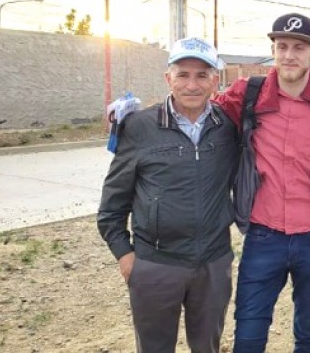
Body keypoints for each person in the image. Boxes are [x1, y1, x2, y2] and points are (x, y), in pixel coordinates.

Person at [212, 13, 310, 352]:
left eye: (298, 48)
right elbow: (200, 112)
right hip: (263, 235)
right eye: (282, 46)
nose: (289, 55)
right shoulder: (248, 93)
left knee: (307, 331)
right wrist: (143, 115)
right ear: (273, 50)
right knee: (249, 333)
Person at [97, 37, 237, 352]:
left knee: (207, 347)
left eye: (202, 75)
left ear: (215, 80)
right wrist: (125, 254)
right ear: (168, 78)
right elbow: (112, 205)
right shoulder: (139, 127)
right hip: (155, 265)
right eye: (183, 74)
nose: (192, 84)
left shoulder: (228, 127)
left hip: (213, 264)